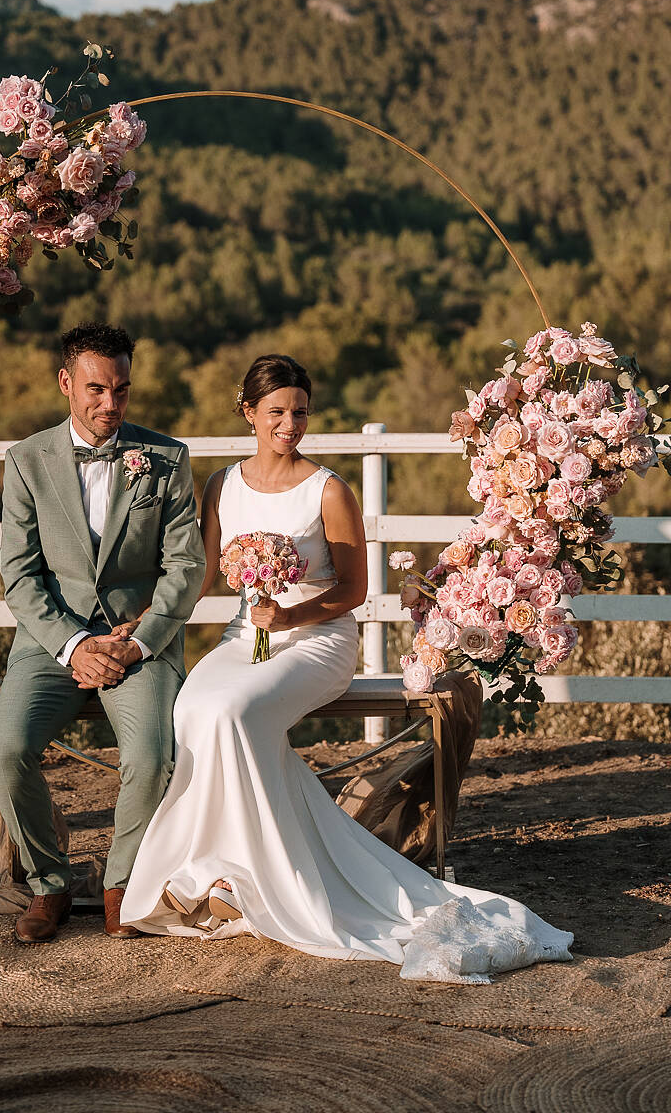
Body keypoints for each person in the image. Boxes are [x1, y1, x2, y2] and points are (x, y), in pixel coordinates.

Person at [120, 354, 573, 980]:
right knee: (196, 707)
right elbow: (197, 576)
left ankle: (234, 878)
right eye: (276, 411)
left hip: (319, 641)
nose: (289, 424)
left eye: (299, 412)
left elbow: (354, 590)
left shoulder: (328, 488)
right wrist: (144, 620)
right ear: (247, 411)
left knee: (231, 710)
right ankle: (218, 871)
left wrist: (293, 617)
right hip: (246, 635)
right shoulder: (221, 484)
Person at [0, 322, 206, 943]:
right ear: (65, 383)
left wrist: (137, 641)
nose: (110, 404)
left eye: (122, 390)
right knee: (6, 753)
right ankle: (48, 884)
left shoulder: (166, 459)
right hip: (51, 643)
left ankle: (121, 886)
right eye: (96, 389)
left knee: (150, 758)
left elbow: (186, 566)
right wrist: (74, 645)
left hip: (141, 643)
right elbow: (19, 576)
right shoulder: (26, 461)